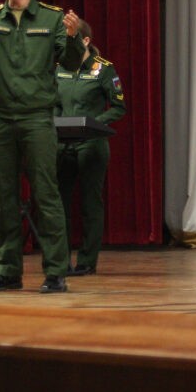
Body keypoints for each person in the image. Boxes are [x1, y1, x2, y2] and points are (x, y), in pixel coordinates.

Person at [0, 0, 84, 293]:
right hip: (0, 117)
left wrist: (74, 37)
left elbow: (72, 62)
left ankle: (56, 271)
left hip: (35, 118)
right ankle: (8, 270)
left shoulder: (49, 18)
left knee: (46, 195)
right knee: (5, 197)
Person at [55, 19, 126, 276]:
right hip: (62, 145)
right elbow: (54, 103)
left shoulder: (103, 69)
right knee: (58, 205)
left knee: (90, 204)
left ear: (84, 40)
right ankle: (60, 261)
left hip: (91, 145)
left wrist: (93, 124)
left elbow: (118, 107)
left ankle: (87, 261)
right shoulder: (58, 68)